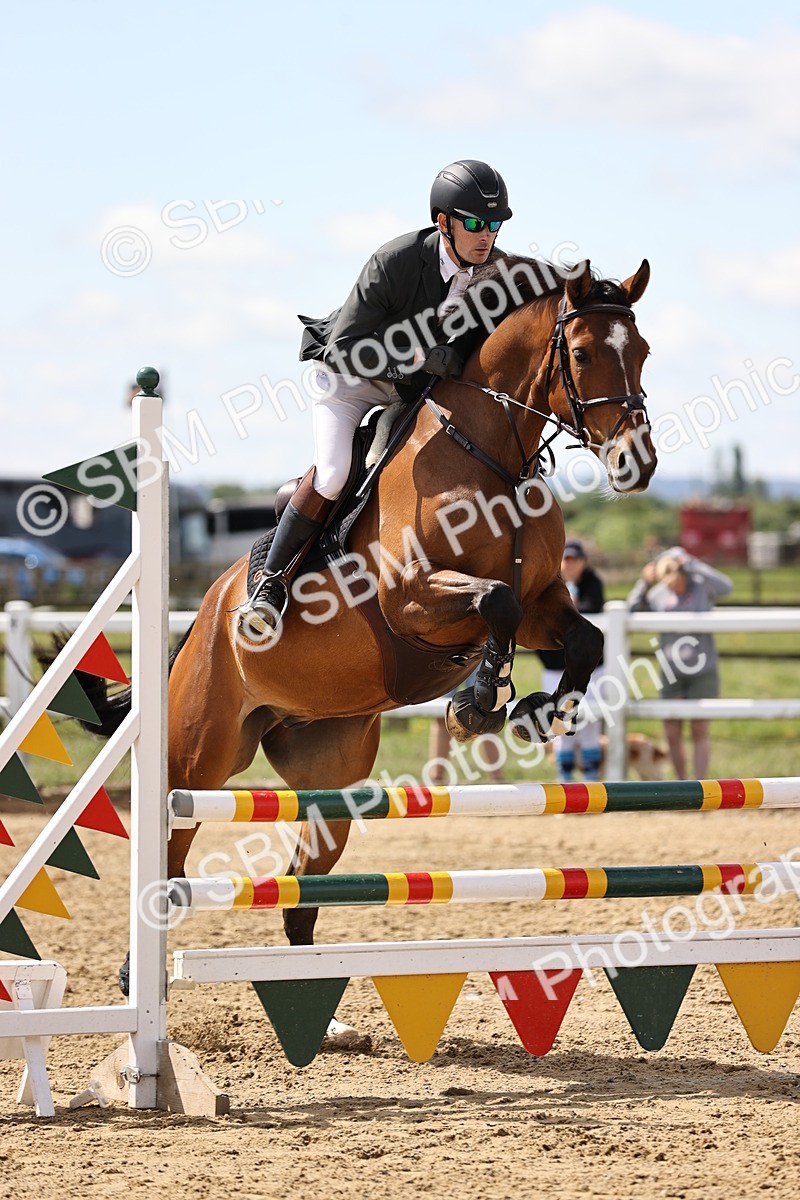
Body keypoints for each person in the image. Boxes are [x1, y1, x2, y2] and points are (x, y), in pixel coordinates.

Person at [239, 159, 513, 636]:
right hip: (348, 380)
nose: (485, 234)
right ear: (443, 222)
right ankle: (271, 585)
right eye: (473, 223)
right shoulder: (397, 260)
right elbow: (345, 348)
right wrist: (420, 360)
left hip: (412, 393)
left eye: (493, 224)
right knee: (334, 474)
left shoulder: (493, 271)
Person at [627, 547, 733, 779]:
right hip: (671, 670)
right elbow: (631, 608)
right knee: (672, 733)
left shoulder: (701, 587)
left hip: (703, 669)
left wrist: (693, 562)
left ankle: (701, 785)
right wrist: (644, 582)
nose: (672, 586)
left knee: (699, 731)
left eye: (675, 581)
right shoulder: (658, 594)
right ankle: (683, 784)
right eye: (668, 583)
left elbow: (727, 587)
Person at [537, 539, 606, 782]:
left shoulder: (592, 582)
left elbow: (593, 606)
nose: (571, 564)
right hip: (555, 666)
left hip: (590, 668)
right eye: (567, 559)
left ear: (583, 562)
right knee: (559, 724)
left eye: (575, 560)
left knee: (591, 722)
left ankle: (591, 778)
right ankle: (565, 780)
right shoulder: (547, 580)